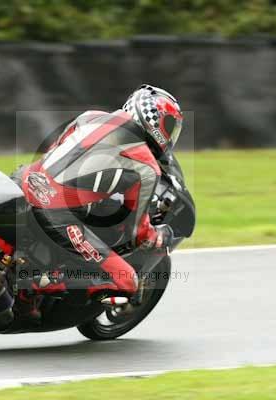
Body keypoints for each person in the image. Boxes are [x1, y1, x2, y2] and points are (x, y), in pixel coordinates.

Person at [19, 84, 183, 305]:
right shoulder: (147, 165)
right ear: (152, 117)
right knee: (127, 281)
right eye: (169, 125)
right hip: (55, 213)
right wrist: (157, 236)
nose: (170, 134)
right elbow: (136, 228)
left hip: (25, 178)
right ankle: (39, 285)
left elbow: (57, 148)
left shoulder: (91, 117)